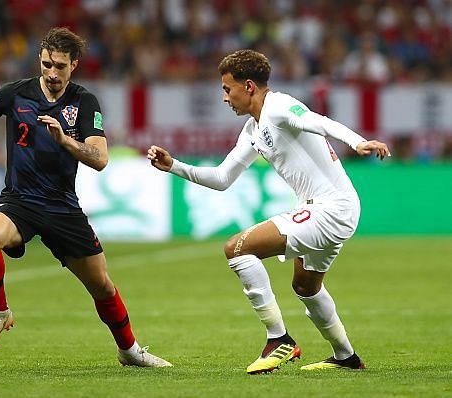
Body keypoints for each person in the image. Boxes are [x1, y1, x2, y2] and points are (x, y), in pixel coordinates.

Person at [0, 27, 171, 368]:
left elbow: (100, 159)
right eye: (46, 65)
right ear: (39, 61)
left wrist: (65, 141)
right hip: (20, 201)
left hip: (62, 208)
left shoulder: (84, 102)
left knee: (101, 286)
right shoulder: (15, 93)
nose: (52, 73)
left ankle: (129, 350)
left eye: (60, 66)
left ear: (74, 64)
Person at [148, 49, 390, 374]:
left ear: (248, 86)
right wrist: (174, 166)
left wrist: (357, 142)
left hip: (331, 209)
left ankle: (279, 340)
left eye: (227, 88)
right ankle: (346, 357)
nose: (224, 97)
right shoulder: (252, 130)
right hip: (325, 209)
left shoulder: (278, 106)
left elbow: (317, 121)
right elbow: (222, 178)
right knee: (305, 286)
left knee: (236, 248)